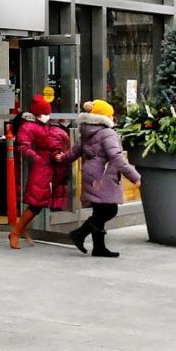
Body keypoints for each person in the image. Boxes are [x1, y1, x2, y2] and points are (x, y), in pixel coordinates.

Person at [59, 99, 141, 258]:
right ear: (105, 117)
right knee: (110, 210)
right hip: (102, 175)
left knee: (99, 210)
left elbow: (75, 152)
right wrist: (134, 176)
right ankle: (79, 233)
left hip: (90, 172)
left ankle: (99, 247)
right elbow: (116, 157)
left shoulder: (86, 131)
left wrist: (63, 158)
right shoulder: (107, 133)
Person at [10, 95, 71, 249]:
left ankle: (19, 230)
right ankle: (16, 232)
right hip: (40, 167)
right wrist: (36, 158)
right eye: (44, 113)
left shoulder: (43, 125)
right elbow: (23, 146)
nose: (47, 116)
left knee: (39, 202)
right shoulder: (29, 127)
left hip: (48, 167)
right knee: (36, 202)